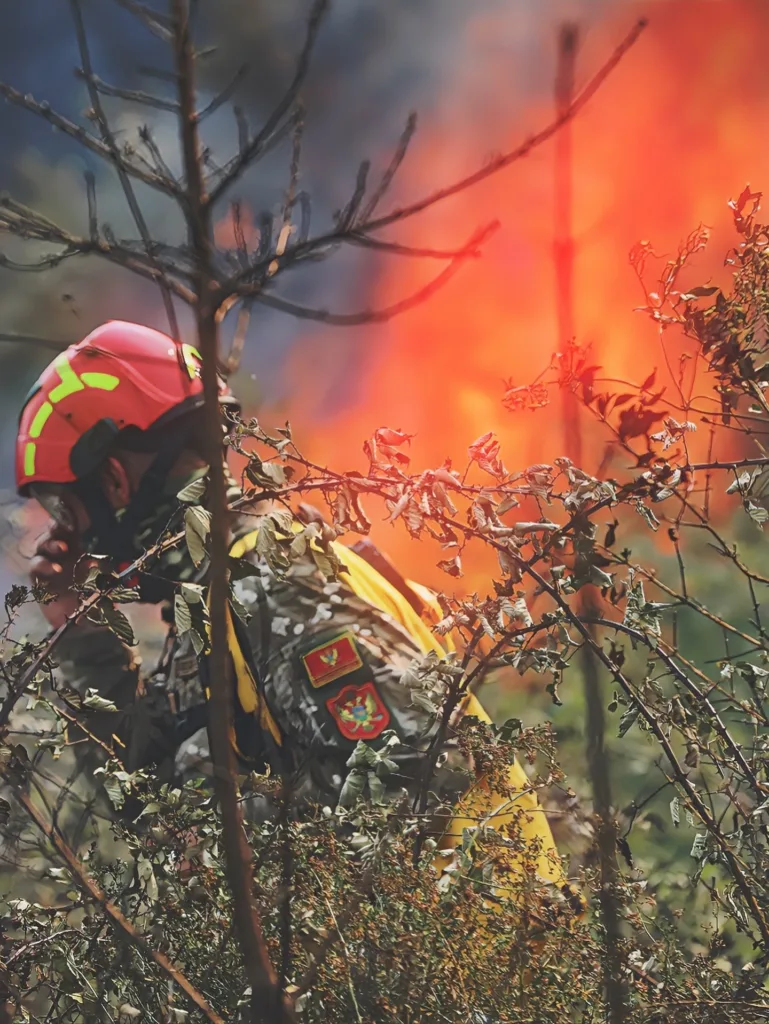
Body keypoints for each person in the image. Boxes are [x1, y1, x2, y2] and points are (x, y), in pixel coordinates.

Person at [16, 319, 576, 910]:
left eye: (64, 504)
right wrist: (81, 632)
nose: (62, 530)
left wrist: (220, 844)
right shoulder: (216, 599)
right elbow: (146, 792)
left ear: (113, 481)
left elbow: (420, 774)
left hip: (475, 983)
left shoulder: (268, 584)